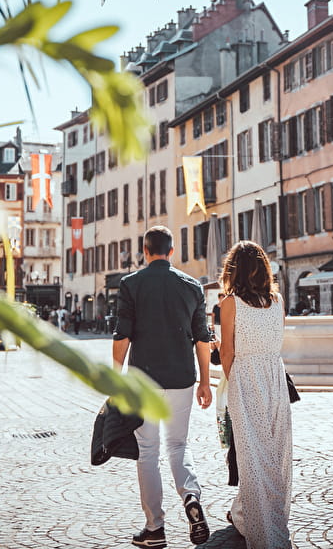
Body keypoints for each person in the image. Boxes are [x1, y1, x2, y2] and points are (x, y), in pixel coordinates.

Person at [113, 225, 212, 549]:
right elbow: (202, 339)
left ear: (145, 251)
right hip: (182, 378)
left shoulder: (130, 285)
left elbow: (122, 337)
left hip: (144, 381)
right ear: (172, 252)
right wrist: (204, 382)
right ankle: (191, 497)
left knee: (148, 452)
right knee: (179, 446)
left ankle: (155, 528)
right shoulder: (192, 287)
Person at [220, 240, 292, 549]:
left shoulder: (229, 304)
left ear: (233, 271)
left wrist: (231, 381)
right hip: (275, 377)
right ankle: (257, 515)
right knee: (276, 452)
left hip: (246, 376)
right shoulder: (277, 300)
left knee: (251, 454)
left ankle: (262, 532)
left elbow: (226, 352)